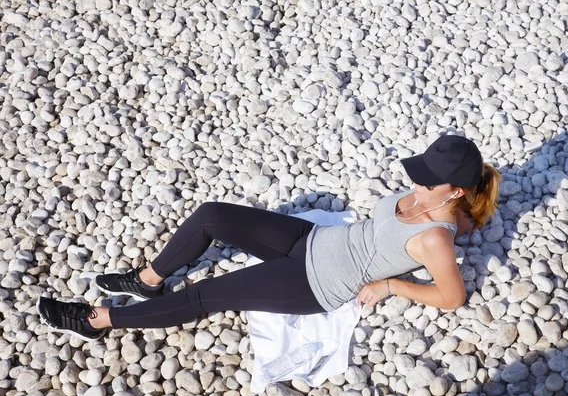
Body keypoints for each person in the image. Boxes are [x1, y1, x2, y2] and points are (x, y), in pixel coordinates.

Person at [37, 135, 501, 342]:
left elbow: (453, 297)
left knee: (207, 295)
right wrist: (465, 212)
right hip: (313, 240)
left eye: (428, 180)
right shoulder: (441, 200)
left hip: (315, 284)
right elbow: (461, 215)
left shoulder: (436, 238)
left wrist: (391, 285)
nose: (417, 182)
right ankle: (148, 279)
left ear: (456, 190)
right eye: (419, 172)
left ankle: (97, 320)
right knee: (211, 216)